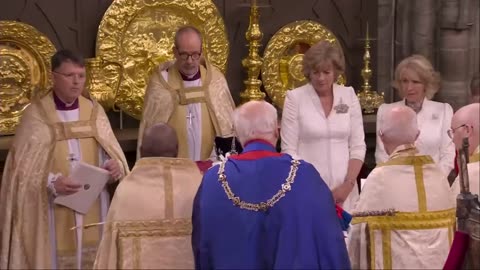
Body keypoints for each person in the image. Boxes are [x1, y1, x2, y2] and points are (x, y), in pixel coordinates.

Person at [0, 49, 129, 269]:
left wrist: (114, 167)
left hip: (93, 204)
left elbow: (111, 153)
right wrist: (51, 182)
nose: (77, 82)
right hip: (52, 208)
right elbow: (21, 172)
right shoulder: (37, 115)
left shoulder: (94, 111)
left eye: (81, 76)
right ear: (53, 77)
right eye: (70, 76)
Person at [192, 101, 351, 269]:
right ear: (277, 131)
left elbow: (203, 246)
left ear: (238, 136)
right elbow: (329, 242)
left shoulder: (213, 180)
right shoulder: (305, 175)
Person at [348, 106, 456, 269]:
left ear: (381, 137)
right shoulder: (438, 176)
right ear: (417, 135)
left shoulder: (379, 178)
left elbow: (358, 235)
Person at [94, 123, 202, 269]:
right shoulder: (199, 185)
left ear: (141, 150)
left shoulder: (127, 191)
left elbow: (110, 252)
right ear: (177, 150)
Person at [281, 40, 366, 211]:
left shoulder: (348, 95)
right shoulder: (294, 98)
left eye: (326, 72)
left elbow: (358, 146)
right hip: (307, 191)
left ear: (335, 72)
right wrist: (311, 188)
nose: (321, 78)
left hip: (345, 192)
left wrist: (347, 185)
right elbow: (288, 151)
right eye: (316, 72)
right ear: (308, 73)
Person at [138, 25, 235, 161]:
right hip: (172, 169)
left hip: (209, 166)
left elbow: (227, 128)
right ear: (175, 52)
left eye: (195, 54)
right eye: (184, 55)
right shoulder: (161, 84)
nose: (190, 61)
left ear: (202, 52)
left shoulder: (215, 81)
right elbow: (151, 132)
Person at [375, 54, 455, 176]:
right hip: (396, 182)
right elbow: (381, 155)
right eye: (405, 81)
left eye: (415, 82)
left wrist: (434, 180)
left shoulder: (443, 110)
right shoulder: (386, 111)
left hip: (433, 183)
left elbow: (448, 154)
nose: (409, 87)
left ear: (426, 84)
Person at [450, 103, 480, 196]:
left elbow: (454, 208)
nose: (453, 139)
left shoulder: (471, 173)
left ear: (467, 130)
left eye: (453, 131)